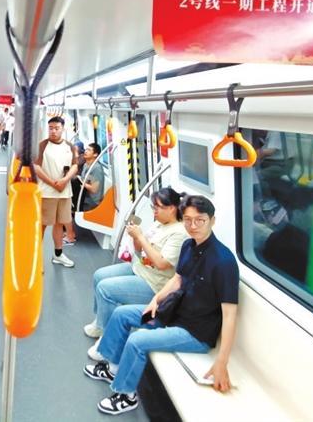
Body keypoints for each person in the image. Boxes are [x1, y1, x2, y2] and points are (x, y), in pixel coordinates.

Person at [83, 195, 239, 415]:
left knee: (137, 340)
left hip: (194, 332)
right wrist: (155, 301)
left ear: (212, 221)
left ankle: (126, 395)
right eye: (188, 220)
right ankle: (113, 368)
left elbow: (230, 314)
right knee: (122, 315)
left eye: (200, 220)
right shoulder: (188, 245)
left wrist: (222, 362)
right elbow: (178, 279)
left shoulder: (224, 262)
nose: (193, 226)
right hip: (172, 314)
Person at [84, 187, 188, 360]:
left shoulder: (179, 233)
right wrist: (134, 237)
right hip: (139, 269)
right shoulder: (159, 224)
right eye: (153, 207)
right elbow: (140, 251)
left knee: (105, 289)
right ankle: (101, 324)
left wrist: (140, 237)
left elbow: (162, 264)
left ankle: (107, 338)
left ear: (172, 208)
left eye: (158, 207)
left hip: (154, 283)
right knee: (99, 276)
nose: (154, 211)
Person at [35, 116, 78, 267]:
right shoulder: (42, 146)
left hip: (65, 192)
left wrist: (64, 180)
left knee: (60, 223)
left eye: (56, 128)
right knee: (42, 224)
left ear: (63, 129)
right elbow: (36, 167)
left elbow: (74, 166)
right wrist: (53, 183)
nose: (53, 131)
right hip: (47, 192)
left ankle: (58, 255)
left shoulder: (70, 146)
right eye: (51, 128)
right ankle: (35, 258)